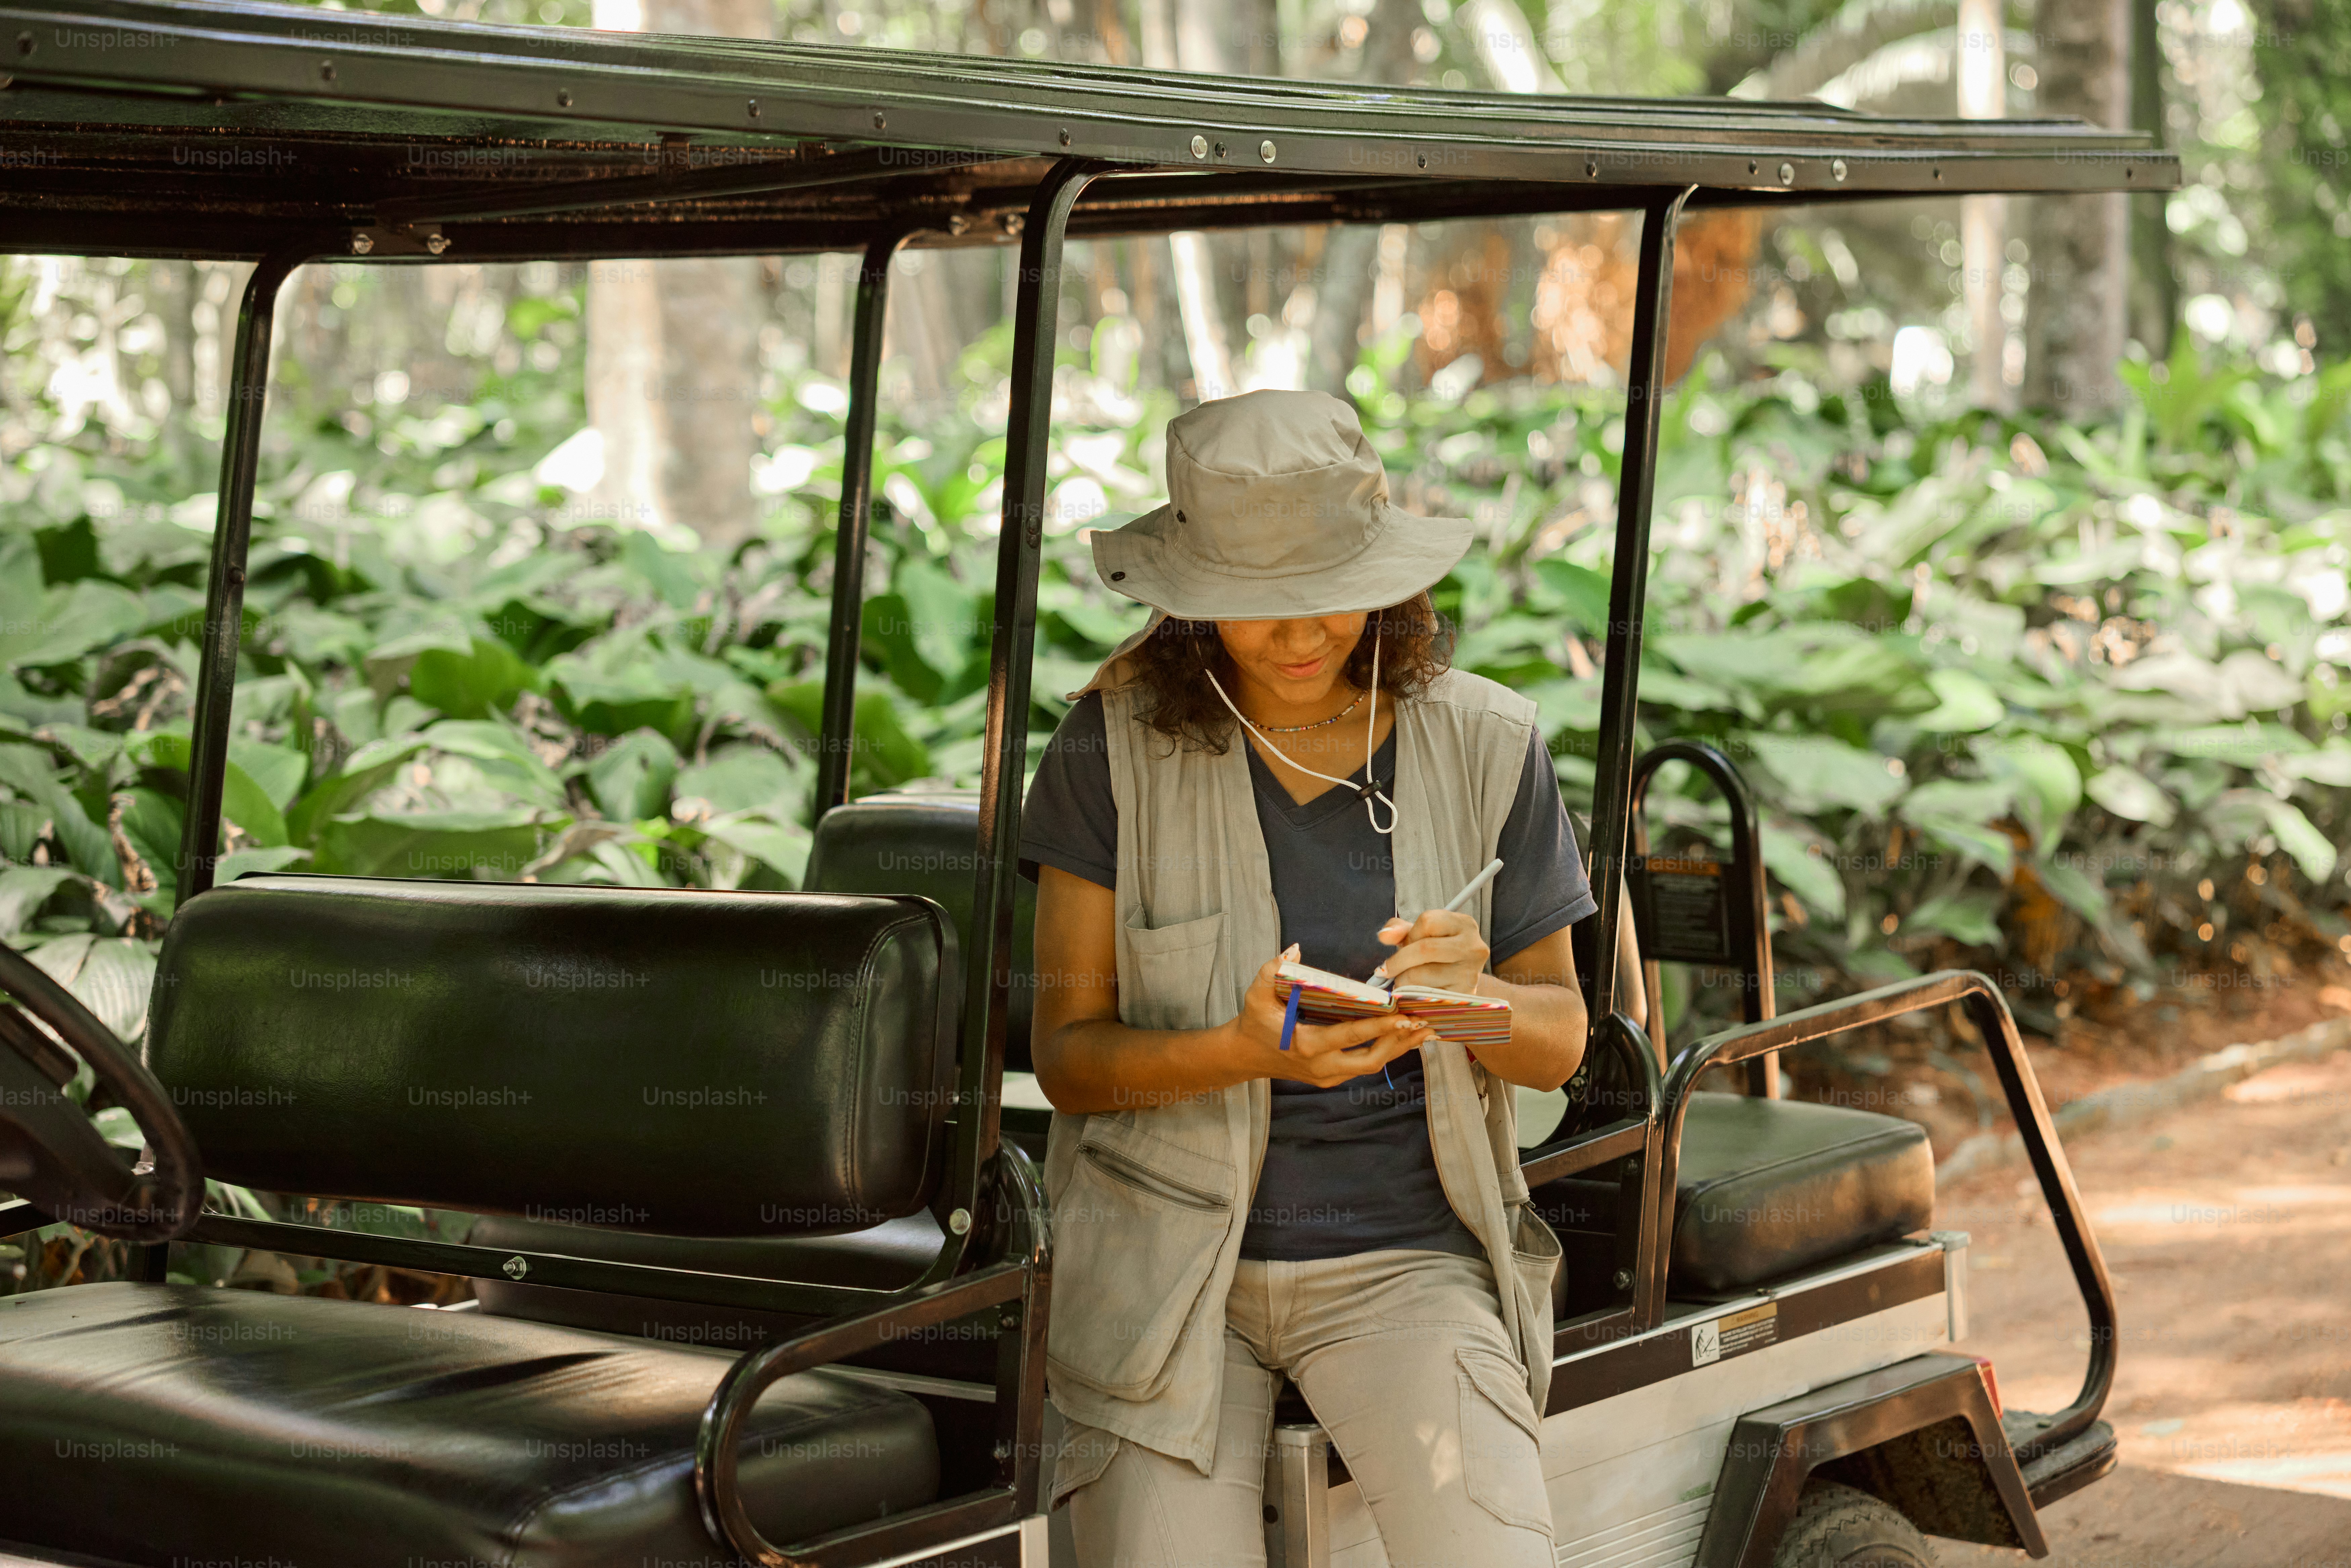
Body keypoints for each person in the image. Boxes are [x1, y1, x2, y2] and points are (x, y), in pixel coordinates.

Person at [1020, 388, 1595, 1567]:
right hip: (1168, 1274)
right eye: (1250, 609)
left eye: (1328, 597)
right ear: (1190, 610)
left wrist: (1471, 1002)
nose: (1298, 637)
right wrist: (1239, 1053)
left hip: (1408, 1260)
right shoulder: (1110, 746)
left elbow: (1563, 1041)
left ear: (1389, 576)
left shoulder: (1488, 742)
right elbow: (1069, 1062)